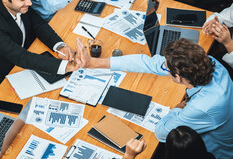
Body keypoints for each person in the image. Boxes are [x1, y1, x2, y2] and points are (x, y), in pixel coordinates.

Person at [74, 38, 233, 159]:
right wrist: (93, 63)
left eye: (167, 68)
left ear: (177, 77)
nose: (162, 66)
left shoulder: (204, 106)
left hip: (211, 152)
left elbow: (162, 133)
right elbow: (148, 63)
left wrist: (177, 109)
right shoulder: (209, 63)